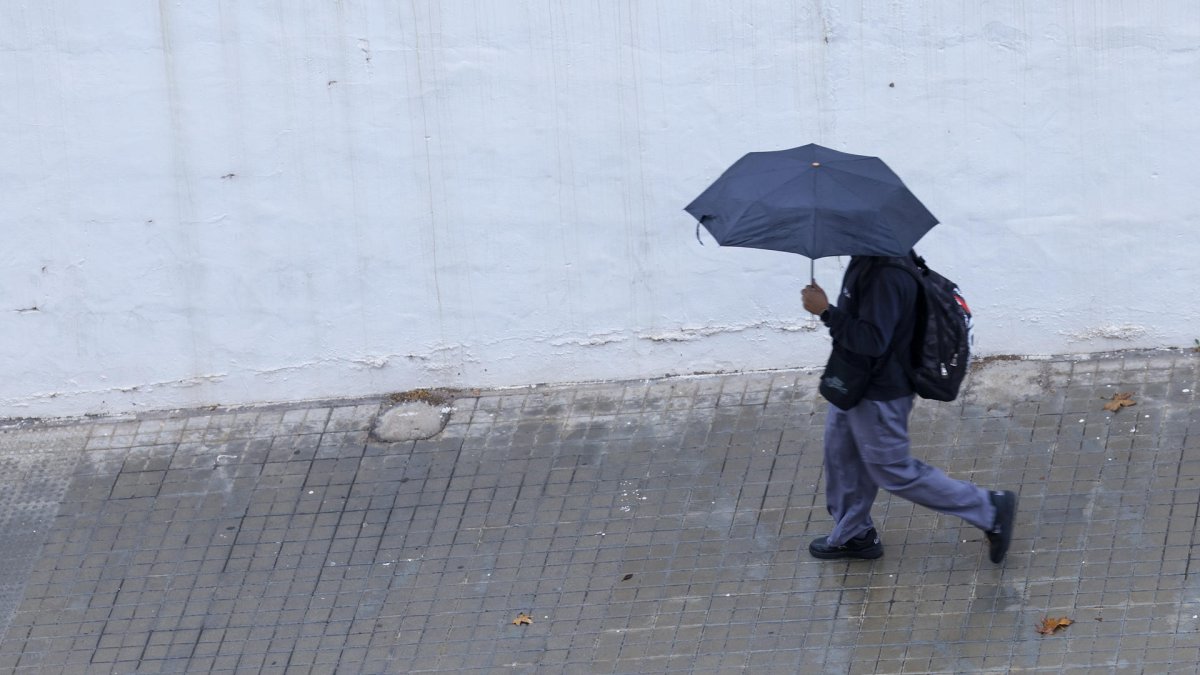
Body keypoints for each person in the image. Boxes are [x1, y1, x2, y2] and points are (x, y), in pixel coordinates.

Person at [800, 254, 1017, 564]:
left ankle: (989, 508)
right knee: (841, 453)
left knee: (892, 469)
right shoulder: (868, 257)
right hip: (853, 380)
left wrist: (825, 312)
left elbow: (873, 340)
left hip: (880, 393)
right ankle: (854, 534)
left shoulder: (886, 275)